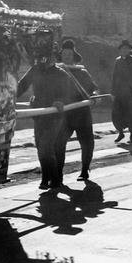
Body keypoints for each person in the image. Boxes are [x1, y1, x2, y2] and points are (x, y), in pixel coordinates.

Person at [18, 45, 78, 190]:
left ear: (53, 57)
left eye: (47, 56)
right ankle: (46, 178)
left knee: (46, 146)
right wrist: (6, 96)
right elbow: (20, 87)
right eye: (41, 56)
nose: (43, 59)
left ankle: (56, 179)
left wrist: (61, 101)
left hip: (55, 115)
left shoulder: (61, 74)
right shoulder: (35, 70)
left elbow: (69, 94)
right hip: (39, 114)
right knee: (40, 146)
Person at [56, 39, 99, 181]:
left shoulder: (82, 71)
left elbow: (93, 89)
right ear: (61, 55)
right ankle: (58, 173)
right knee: (59, 142)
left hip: (82, 113)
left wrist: (94, 96)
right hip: (65, 115)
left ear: (74, 56)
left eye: (69, 54)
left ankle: (85, 170)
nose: (67, 56)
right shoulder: (56, 71)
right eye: (64, 53)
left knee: (86, 143)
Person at [111, 39, 132, 143]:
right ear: (120, 50)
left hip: (131, 93)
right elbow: (114, 77)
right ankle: (120, 133)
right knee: (117, 114)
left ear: (129, 50)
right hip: (119, 93)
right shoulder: (118, 61)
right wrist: (112, 92)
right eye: (122, 49)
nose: (124, 51)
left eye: (126, 49)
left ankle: (131, 136)